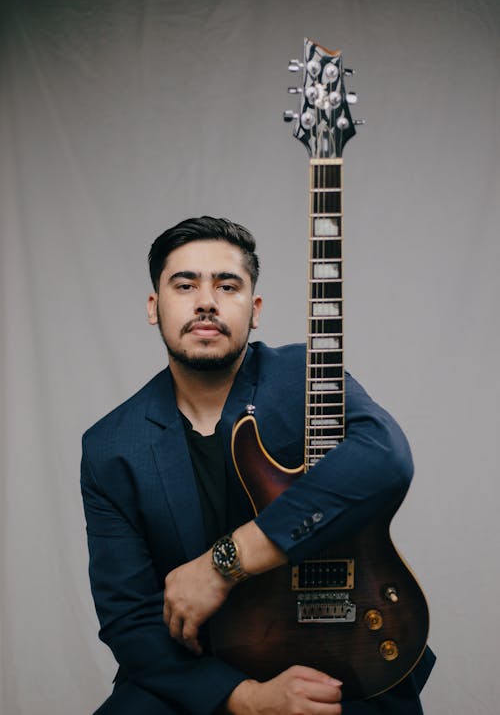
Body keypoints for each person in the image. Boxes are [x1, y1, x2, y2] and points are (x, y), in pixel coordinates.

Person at [81, 216, 435, 715]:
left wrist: (224, 564)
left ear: (255, 309)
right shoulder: (111, 447)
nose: (207, 300)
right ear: (153, 306)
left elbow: (386, 457)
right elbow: (128, 618)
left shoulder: (303, 377)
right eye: (185, 285)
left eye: (228, 285)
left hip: (344, 648)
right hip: (198, 672)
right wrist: (246, 699)